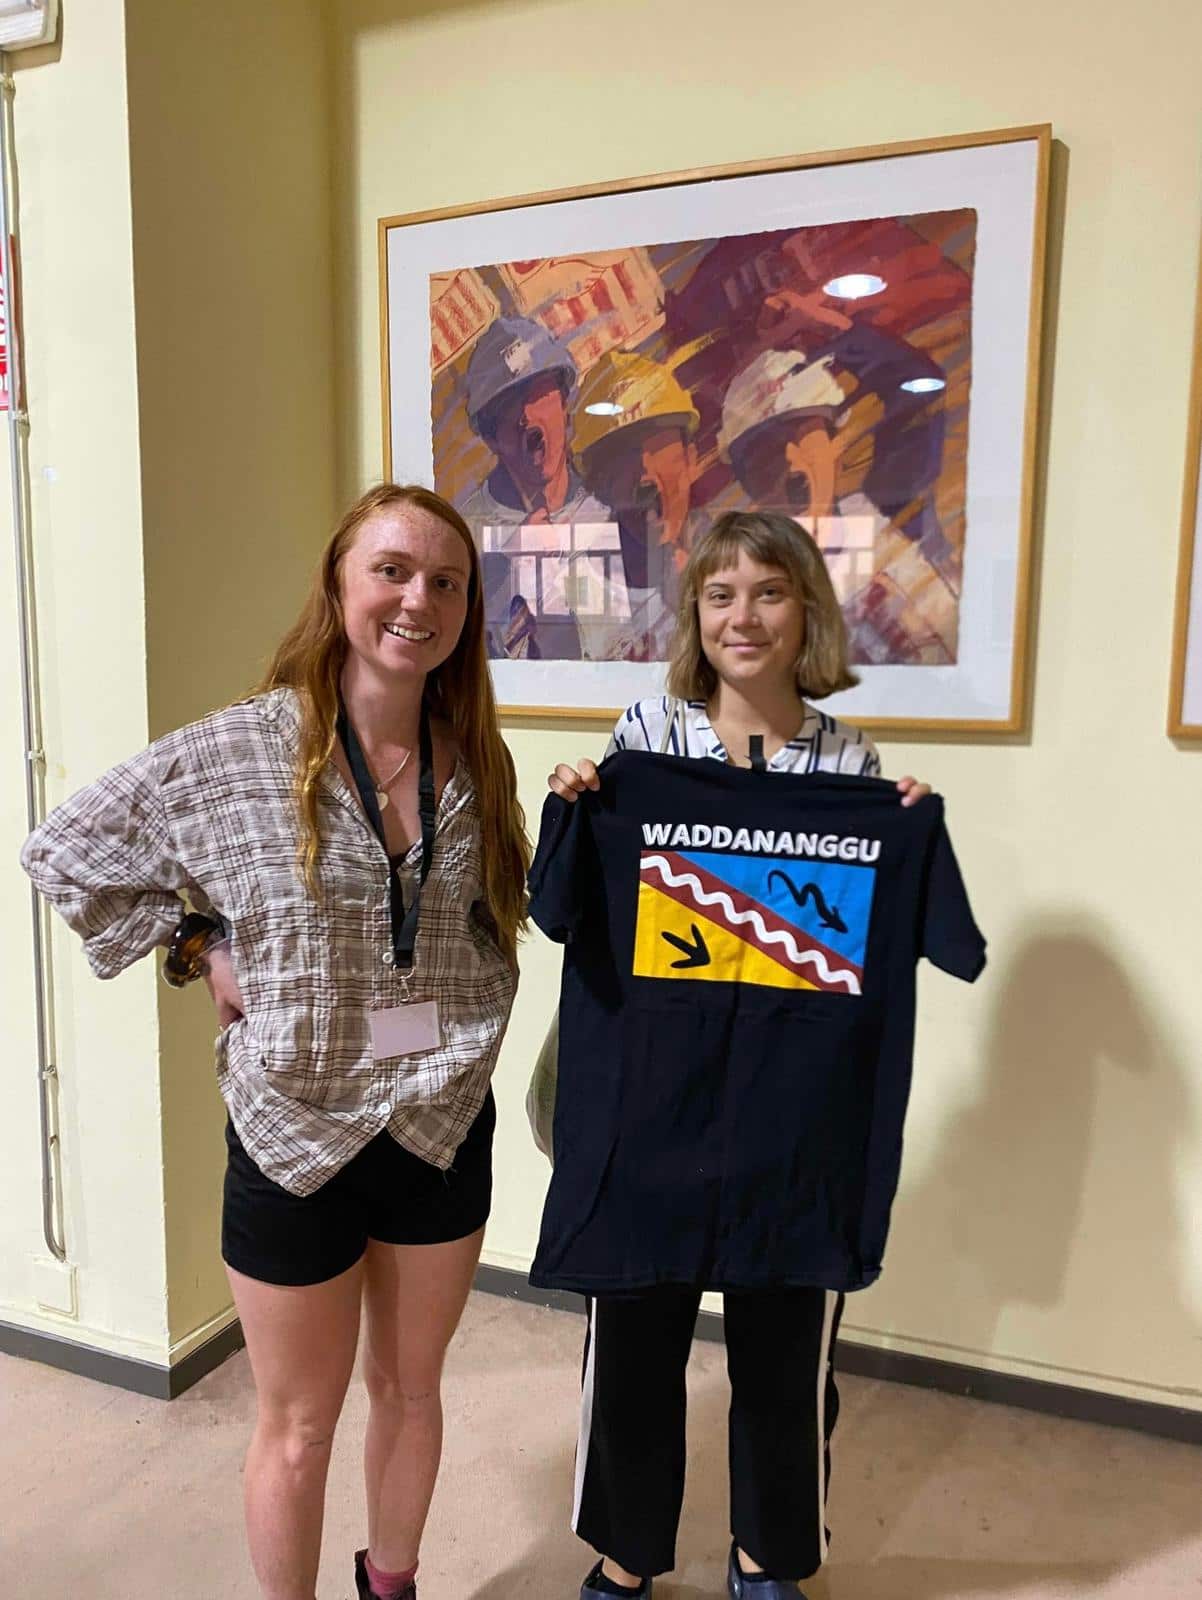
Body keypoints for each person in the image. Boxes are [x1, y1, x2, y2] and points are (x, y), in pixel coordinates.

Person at [21, 483, 529, 1600]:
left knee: (411, 1391)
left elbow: (500, 919)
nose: (418, 599)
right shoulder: (247, 749)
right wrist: (198, 942)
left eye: (447, 582)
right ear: (341, 585)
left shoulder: (475, 760)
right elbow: (68, 848)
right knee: (298, 1421)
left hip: (437, 1118)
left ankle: (388, 1584)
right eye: (392, 569)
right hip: (294, 1123)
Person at [545, 510, 933, 1600]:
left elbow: (868, 948)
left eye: (767, 591)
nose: (742, 616)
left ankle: (767, 1553)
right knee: (630, 1334)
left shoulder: (846, 761)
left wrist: (898, 831)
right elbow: (569, 913)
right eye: (719, 594)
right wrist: (580, 805)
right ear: (695, 615)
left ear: (804, 607)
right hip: (652, 1097)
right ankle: (625, 1551)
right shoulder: (643, 740)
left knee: (783, 1341)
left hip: (789, 1105)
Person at [573, 349, 707, 661]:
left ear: (691, 461)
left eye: (657, 448)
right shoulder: (584, 597)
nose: (645, 475)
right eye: (624, 456)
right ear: (598, 487)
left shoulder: (741, 564)